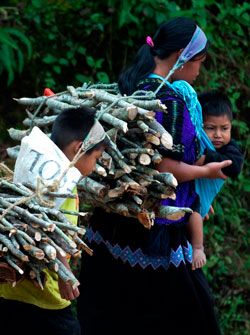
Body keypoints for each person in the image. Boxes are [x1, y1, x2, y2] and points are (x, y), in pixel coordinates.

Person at [77, 17, 232, 335]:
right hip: (156, 232)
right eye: (199, 62)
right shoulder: (170, 101)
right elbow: (165, 167)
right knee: (184, 317)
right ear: (180, 57)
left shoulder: (131, 82)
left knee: (118, 313)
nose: (199, 71)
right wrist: (205, 172)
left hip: (115, 220)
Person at [0, 106, 108, 335]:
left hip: (11, 290)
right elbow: (48, 228)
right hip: (46, 293)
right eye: (96, 158)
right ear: (79, 148)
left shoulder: (34, 167)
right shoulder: (61, 185)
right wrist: (65, 274)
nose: (95, 166)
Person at [187, 90, 244, 270]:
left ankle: (197, 247)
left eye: (224, 128)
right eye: (210, 128)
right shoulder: (196, 142)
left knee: (196, 210)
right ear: (199, 125)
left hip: (203, 196)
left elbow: (233, 166)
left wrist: (206, 159)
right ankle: (195, 248)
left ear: (231, 127)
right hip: (191, 192)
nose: (218, 135)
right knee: (193, 210)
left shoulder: (231, 148)